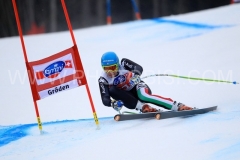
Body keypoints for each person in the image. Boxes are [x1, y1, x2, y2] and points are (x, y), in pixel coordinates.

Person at [98, 51, 193, 113]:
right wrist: (112, 103)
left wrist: (135, 75)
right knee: (112, 90)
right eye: (106, 69)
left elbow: (139, 68)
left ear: (117, 64)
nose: (110, 72)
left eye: (112, 67)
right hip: (129, 98)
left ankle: (177, 106)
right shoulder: (103, 79)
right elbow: (105, 98)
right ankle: (143, 107)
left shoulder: (123, 63)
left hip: (137, 86)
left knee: (143, 95)